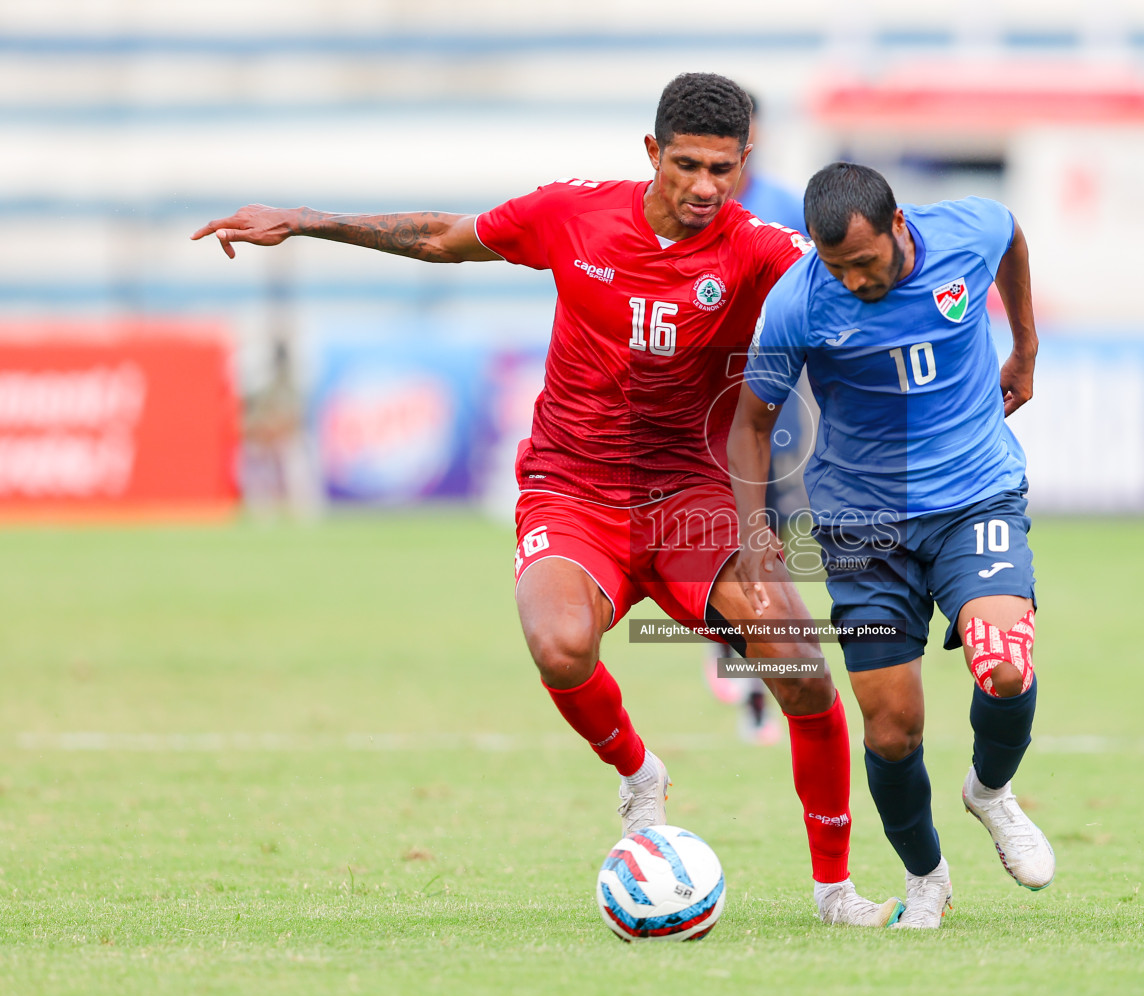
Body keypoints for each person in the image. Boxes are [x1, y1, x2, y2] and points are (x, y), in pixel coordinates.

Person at [191, 76, 900, 928]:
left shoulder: (763, 250)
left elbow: (870, 286)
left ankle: (835, 893)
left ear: (745, 162)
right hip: (573, 487)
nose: (705, 186)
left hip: (694, 500)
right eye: (686, 165)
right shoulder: (573, 214)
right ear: (652, 154)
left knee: (800, 673)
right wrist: (307, 220)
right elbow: (442, 237)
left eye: (722, 167)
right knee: (561, 646)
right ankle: (640, 776)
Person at [728, 162, 1054, 929]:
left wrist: (1026, 348)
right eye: (835, 266)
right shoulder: (799, 302)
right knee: (890, 726)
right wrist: (752, 534)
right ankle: (926, 878)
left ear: (900, 224)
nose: (852, 280)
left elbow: (1011, 234)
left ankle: (991, 793)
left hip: (975, 495)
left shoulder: (962, 236)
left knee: (1004, 665)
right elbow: (750, 423)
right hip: (862, 525)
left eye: (865, 263)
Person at [700, 91, 811, 746]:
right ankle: (738, 672)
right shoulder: (695, 205)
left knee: (770, 533)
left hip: (771, 402)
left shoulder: (785, 204)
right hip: (706, 401)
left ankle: (756, 690)